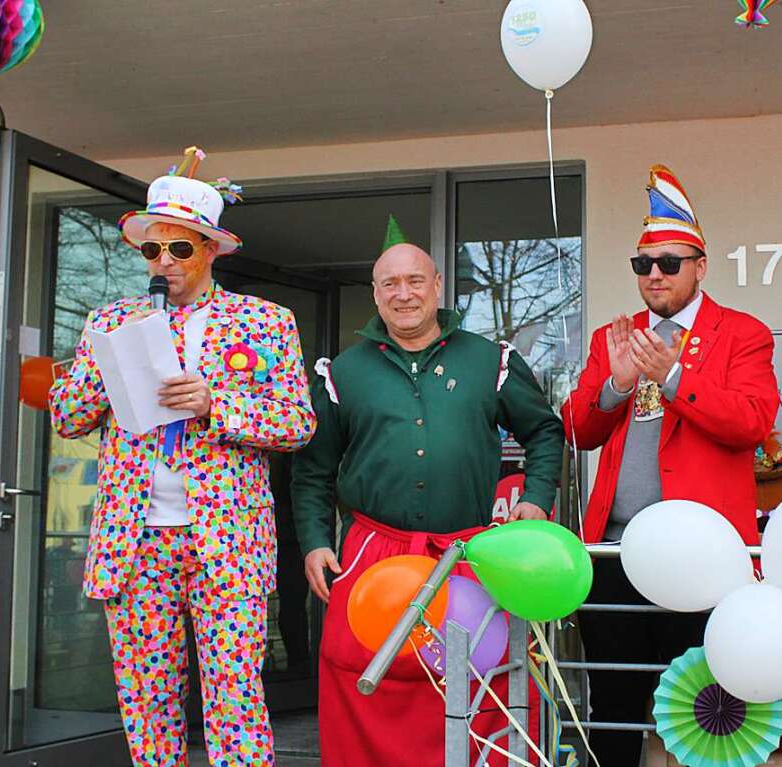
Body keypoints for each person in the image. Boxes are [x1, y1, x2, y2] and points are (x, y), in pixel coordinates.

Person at [48, 148, 316, 767]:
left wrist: (214, 404)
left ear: (212, 250)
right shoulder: (109, 321)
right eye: (152, 250)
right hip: (136, 540)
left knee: (235, 696)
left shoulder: (265, 322)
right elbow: (67, 417)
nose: (164, 261)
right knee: (147, 701)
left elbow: (299, 423)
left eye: (180, 249)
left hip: (228, 537)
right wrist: (106, 358)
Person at [291, 216, 565, 766]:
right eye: (390, 284)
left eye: (415, 281)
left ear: (438, 286)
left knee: (483, 674)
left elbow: (544, 430)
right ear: (375, 293)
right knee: (361, 669)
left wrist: (535, 499)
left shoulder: (491, 360)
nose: (404, 293)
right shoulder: (343, 372)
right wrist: (316, 541)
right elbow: (313, 470)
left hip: (468, 554)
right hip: (372, 553)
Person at [562, 165, 780, 765]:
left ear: (700, 266)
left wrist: (672, 378)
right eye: (643, 264)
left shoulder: (742, 334)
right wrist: (615, 384)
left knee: (705, 705)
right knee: (613, 701)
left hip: (701, 555)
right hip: (613, 552)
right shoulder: (619, 334)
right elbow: (578, 429)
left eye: (669, 263)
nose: (654, 275)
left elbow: (751, 423)